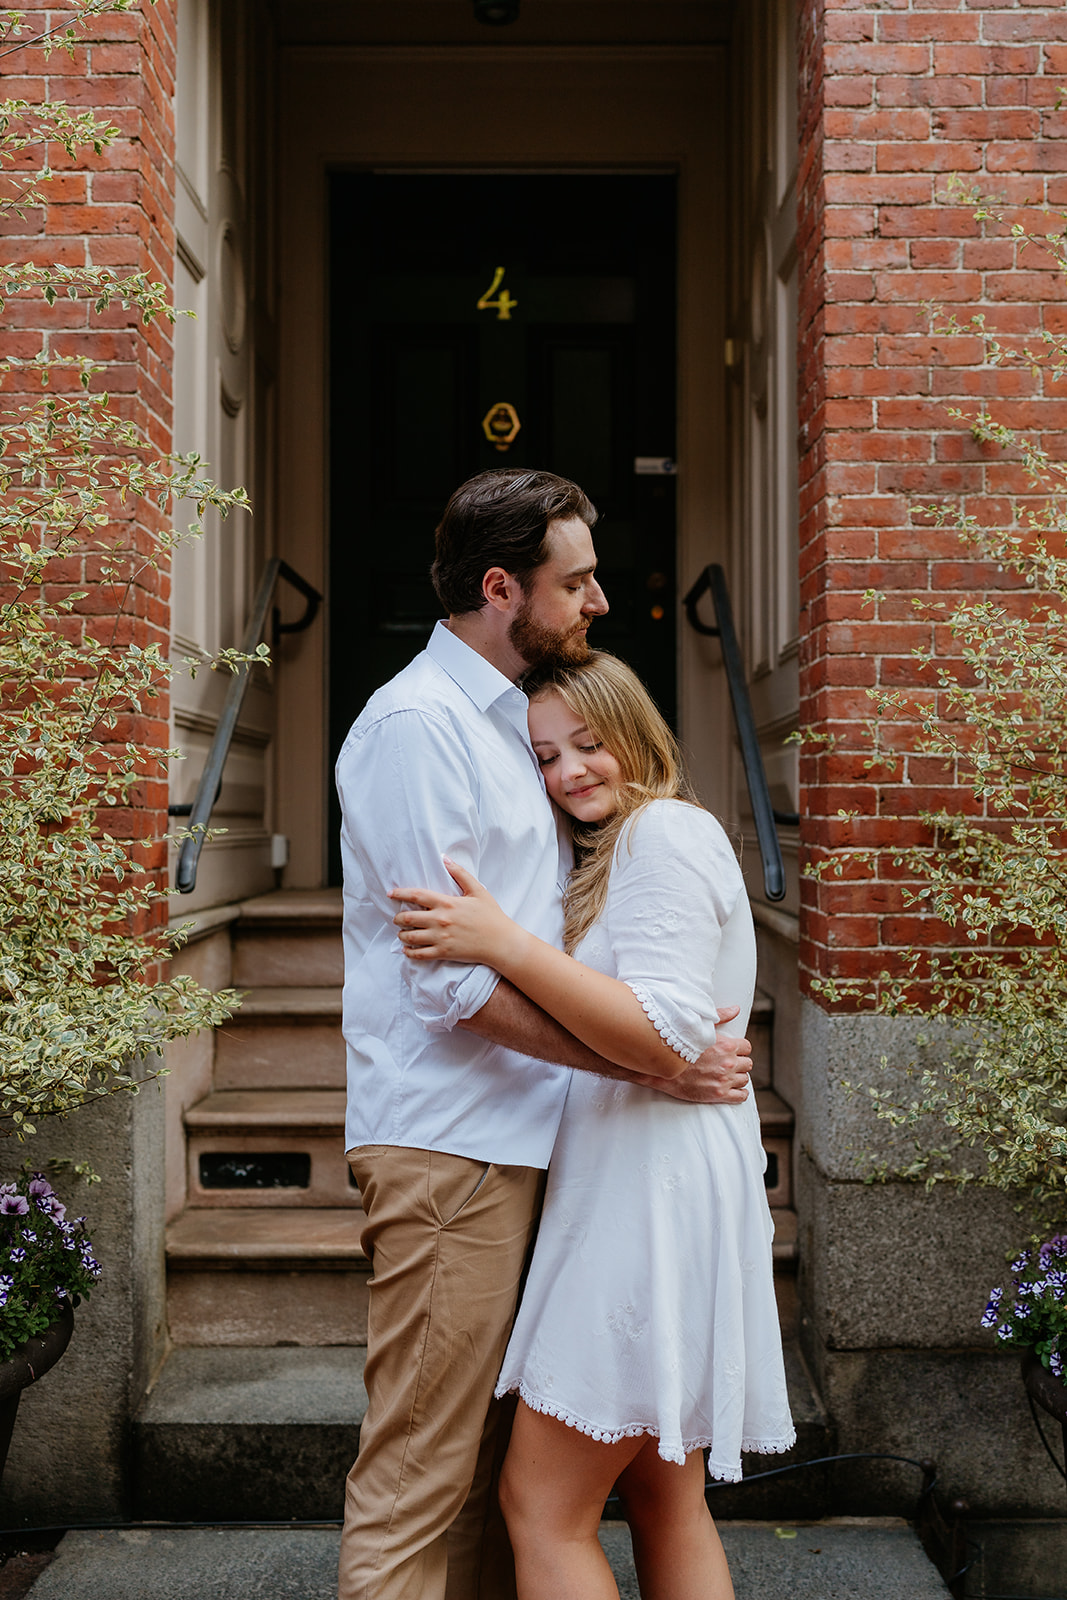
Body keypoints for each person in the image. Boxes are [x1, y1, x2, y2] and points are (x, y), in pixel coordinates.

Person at [334, 468, 755, 1600]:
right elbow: (451, 988)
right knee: (424, 1483)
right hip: (452, 1145)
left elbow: (593, 970)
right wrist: (647, 1063)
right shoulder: (421, 728)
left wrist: (644, 1052)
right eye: (575, 582)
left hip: (534, 1146)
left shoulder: (516, 734)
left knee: (493, 1490)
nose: (598, 600)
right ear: (499, 587)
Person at [391, 650, 796, 1600]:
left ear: (636, 732)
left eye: (588, 742)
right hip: (651, 1176)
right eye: (543, 757)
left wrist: (503, 943)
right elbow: (665, 1035)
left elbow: (660, 1030)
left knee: (541, 1510)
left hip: (645, 1199)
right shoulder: (618, 848)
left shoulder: (663, 834)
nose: (568, 771)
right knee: (664, 1501)